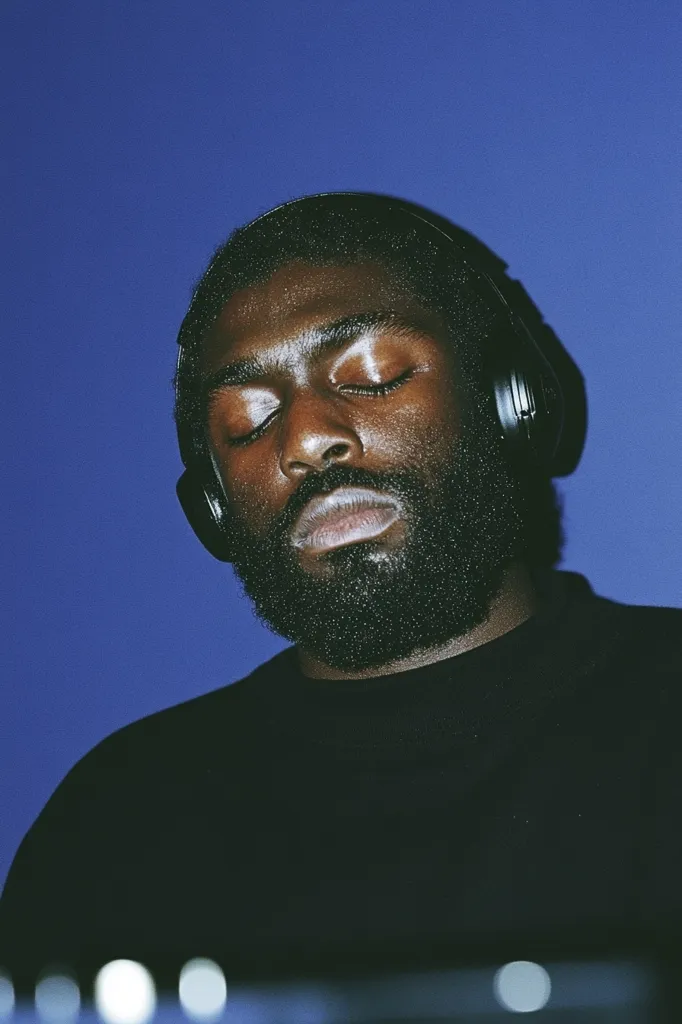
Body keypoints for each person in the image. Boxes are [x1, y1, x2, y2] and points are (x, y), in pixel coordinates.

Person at [1, 192, 680, 986]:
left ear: (509, 400)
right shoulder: (115, 821)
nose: (305, 439)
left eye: (373, 375)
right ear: (213, 505)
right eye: (247, 423)